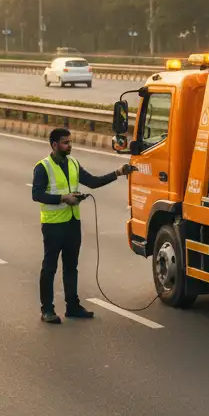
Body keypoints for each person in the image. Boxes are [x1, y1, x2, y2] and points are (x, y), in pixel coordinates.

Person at [32, 127, 136, 324]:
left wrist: (118, 172)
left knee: (72, 267)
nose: (69, 146)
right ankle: (47, 310)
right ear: (54, 145)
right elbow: (37, 194)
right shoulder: (42, 167)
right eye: (65, 143)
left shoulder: (72, 163)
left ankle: (73, 306)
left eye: (70, 142)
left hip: (72, 223)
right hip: (53, 226)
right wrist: (63, 198)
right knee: (50, 268)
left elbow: (93, 182)